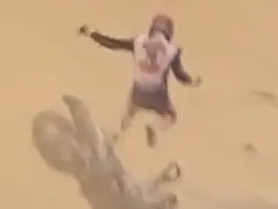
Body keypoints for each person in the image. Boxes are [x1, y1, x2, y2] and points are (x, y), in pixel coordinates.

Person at [77, 14, 202, 148]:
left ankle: (118, 136)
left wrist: (91, 33)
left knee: (130, 111)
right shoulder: (173, 51)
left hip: (139, 91)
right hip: (158, 94)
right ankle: (154, 126)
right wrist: (192, 81)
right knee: (171, 117)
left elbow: (112, 44)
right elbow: (179, 75)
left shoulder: (138, 42)